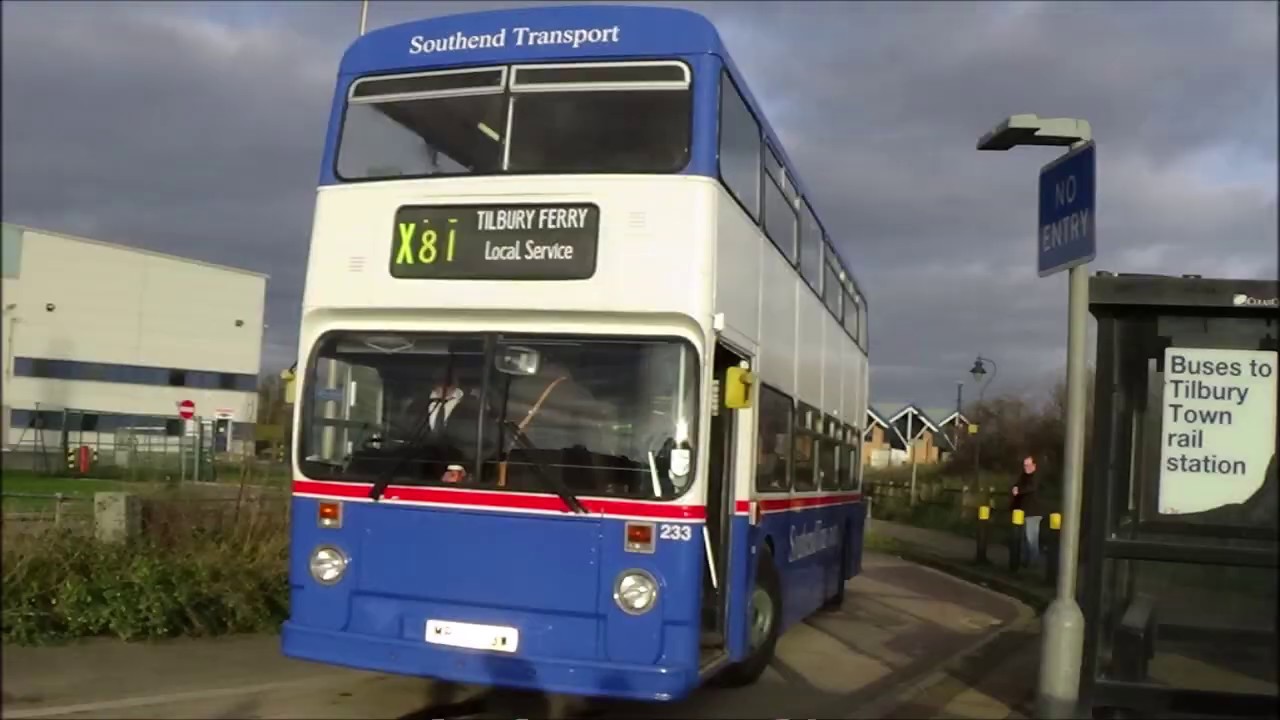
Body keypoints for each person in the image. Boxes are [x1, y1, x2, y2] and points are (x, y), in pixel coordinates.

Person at [1011, 455, 1043, 565]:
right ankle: (1025, 562)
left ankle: (1033, 562)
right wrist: (1015, 488)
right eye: (1025, 465)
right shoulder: (1023, 476)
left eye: (1028, 465)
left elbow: (1031, 488)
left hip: (1033, 512)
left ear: (1034, 465)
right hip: (1024, 511)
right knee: (1025, 538)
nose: (1026, 467)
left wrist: (1018, 490)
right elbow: (1018, 485)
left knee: (1031, 539)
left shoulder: (1036, 476)